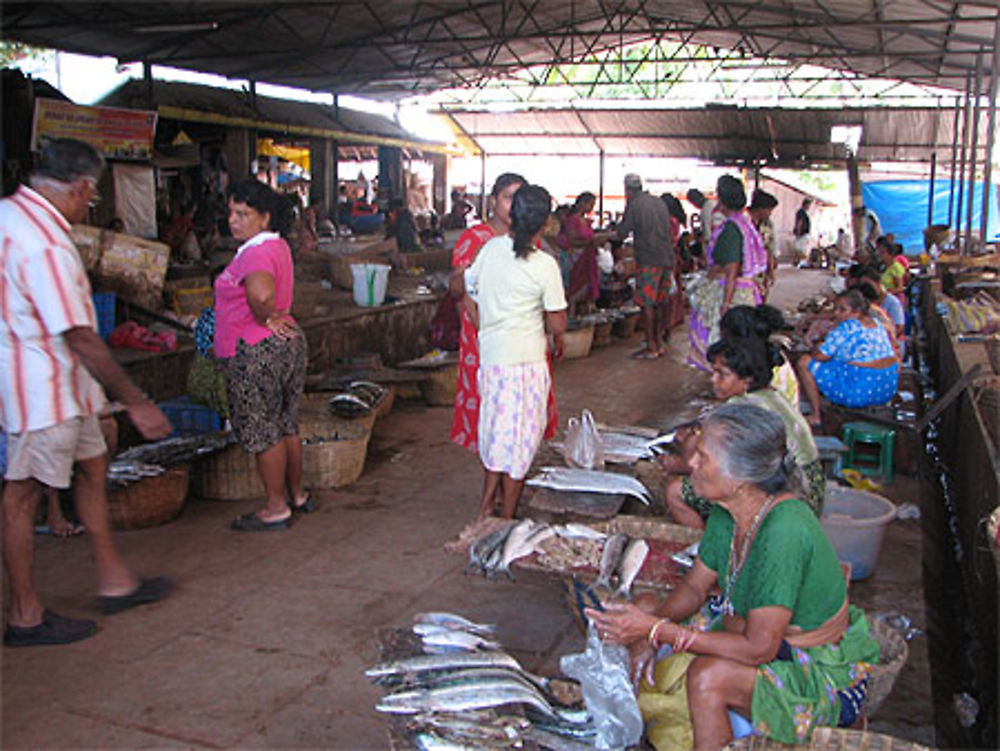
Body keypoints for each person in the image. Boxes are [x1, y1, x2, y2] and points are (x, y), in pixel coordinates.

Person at [587, 403, 879, 750]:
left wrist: (656, 630)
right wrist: (650, 630)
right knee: (647, 604)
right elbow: (695, 587)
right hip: (750, 632)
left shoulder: (783, 531)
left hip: (814, 671)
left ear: (740, 479)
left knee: (707, 677)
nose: (691, 462)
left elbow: (759, 648)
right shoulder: (730, 513)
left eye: (704, 458)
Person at [0, 138, 174, 646]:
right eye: (90, 197)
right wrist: (136, 399)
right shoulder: (47, 244)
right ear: (79, 189)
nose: (88, 206)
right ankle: (25, 614)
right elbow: (78, 333)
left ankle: (114, 580)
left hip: (60, 382)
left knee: (94, 465)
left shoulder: (10, 215)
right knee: (22, 493)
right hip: (43, 386)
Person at [456, 184, 568, 519]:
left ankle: (486, 505)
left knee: (495, 435)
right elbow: (558, 324)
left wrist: (486, 327)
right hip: (525, 363)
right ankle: (504, 518)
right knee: (519, 443)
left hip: (492, 361)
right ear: (545, 222)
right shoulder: (544, 264)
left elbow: (466, 290)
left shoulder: (489, 249)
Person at [214, 179, 312, 531]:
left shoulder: (254, 252)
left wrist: (266, 315)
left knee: (263, 428)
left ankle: (275, 506)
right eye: (231, 213)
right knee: (286, 422)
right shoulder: (277, 246)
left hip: (254, 349)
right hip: (286, 343)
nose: (234, 220)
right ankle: (296, 493)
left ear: (264, 216)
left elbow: (259, 292)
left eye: (243, 213)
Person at [663, 336, 825, 528]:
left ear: (747, 380)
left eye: (722, 374)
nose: (713, 380)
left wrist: (680, 458)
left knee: (674, 491)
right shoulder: (773, 394)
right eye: (714, 372)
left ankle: (703, 546)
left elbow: (713, 464)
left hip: (788, 494)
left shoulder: (741, 407)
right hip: (811, 485)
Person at [687, 175, 769, 371]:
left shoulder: (732, 228)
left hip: (730, 291)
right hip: (740, 289)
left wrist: (725, 302)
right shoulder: (744, 223)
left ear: (722, 198)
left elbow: (732, 268)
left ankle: (727, 379)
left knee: (722, 340)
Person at [797, 289, 899, 427]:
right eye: (835, 309)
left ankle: (816, 415)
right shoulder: (876, 323)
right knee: (840, 362)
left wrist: (818, 345)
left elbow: (820, 356)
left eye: (842, 310)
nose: (836, 313)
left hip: (859, 391)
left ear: (857, 312)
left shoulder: (847, 327)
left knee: (804, 362)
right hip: (886, 388)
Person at [617, 174, 675, 359]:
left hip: (649, 260)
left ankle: (651, 346)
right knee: (659, 302)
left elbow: (622, 232)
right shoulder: (658, 202)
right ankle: (659, 342)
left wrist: (605, 236)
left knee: (647, 304)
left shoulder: (635, 204)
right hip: (666, 258)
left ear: (628, 190)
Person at [558, 192, 612, 316]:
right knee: (575, 290)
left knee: (586, 290)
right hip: (578, 258)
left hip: (588, 257)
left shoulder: (584, 221)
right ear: (583, 203)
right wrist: (590, 241)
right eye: (590, 204)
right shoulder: (573, 220)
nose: (591, 208)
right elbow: (572, 240)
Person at [748, 189, 779, 299]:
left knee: (761, 297)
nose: (770, 213)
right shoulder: (744, 221)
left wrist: (770, 270)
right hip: (746, 271)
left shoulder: (767, 224)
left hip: (761, 271)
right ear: (761, 209)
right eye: (769, 210)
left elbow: (769, 248)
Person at [793, 198, 812, 266]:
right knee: (800, 249)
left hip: (803, 233)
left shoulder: (804, 212)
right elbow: (799, 222)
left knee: (801, 248)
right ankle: (798, 261)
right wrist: (798, 231)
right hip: (802, 233)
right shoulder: (801, 212)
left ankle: (799, 261)